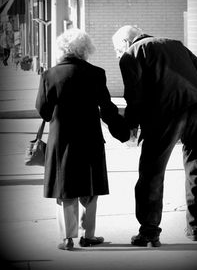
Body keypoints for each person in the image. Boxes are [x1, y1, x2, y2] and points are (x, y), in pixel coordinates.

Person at [112, 25, 197, 247]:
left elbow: (134, 96)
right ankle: (195, 227)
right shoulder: (174, 43)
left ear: (125, 43)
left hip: (166, 113)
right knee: (195, 168)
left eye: (116, 50)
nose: (117, 55)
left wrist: (131, 128)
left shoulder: (131, 54)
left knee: (151, 172)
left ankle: (149, 232)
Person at [36, 28, 129, 250]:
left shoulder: (49, 75)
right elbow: (107, 109)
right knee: (90, 187)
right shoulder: (96, 73)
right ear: (86, 49)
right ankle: (89, 235)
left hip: (62, 141)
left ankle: (68, 238)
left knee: (65, 188)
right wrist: (123, 132)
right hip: (90, 139)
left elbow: (43, 111)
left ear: (62, 49)